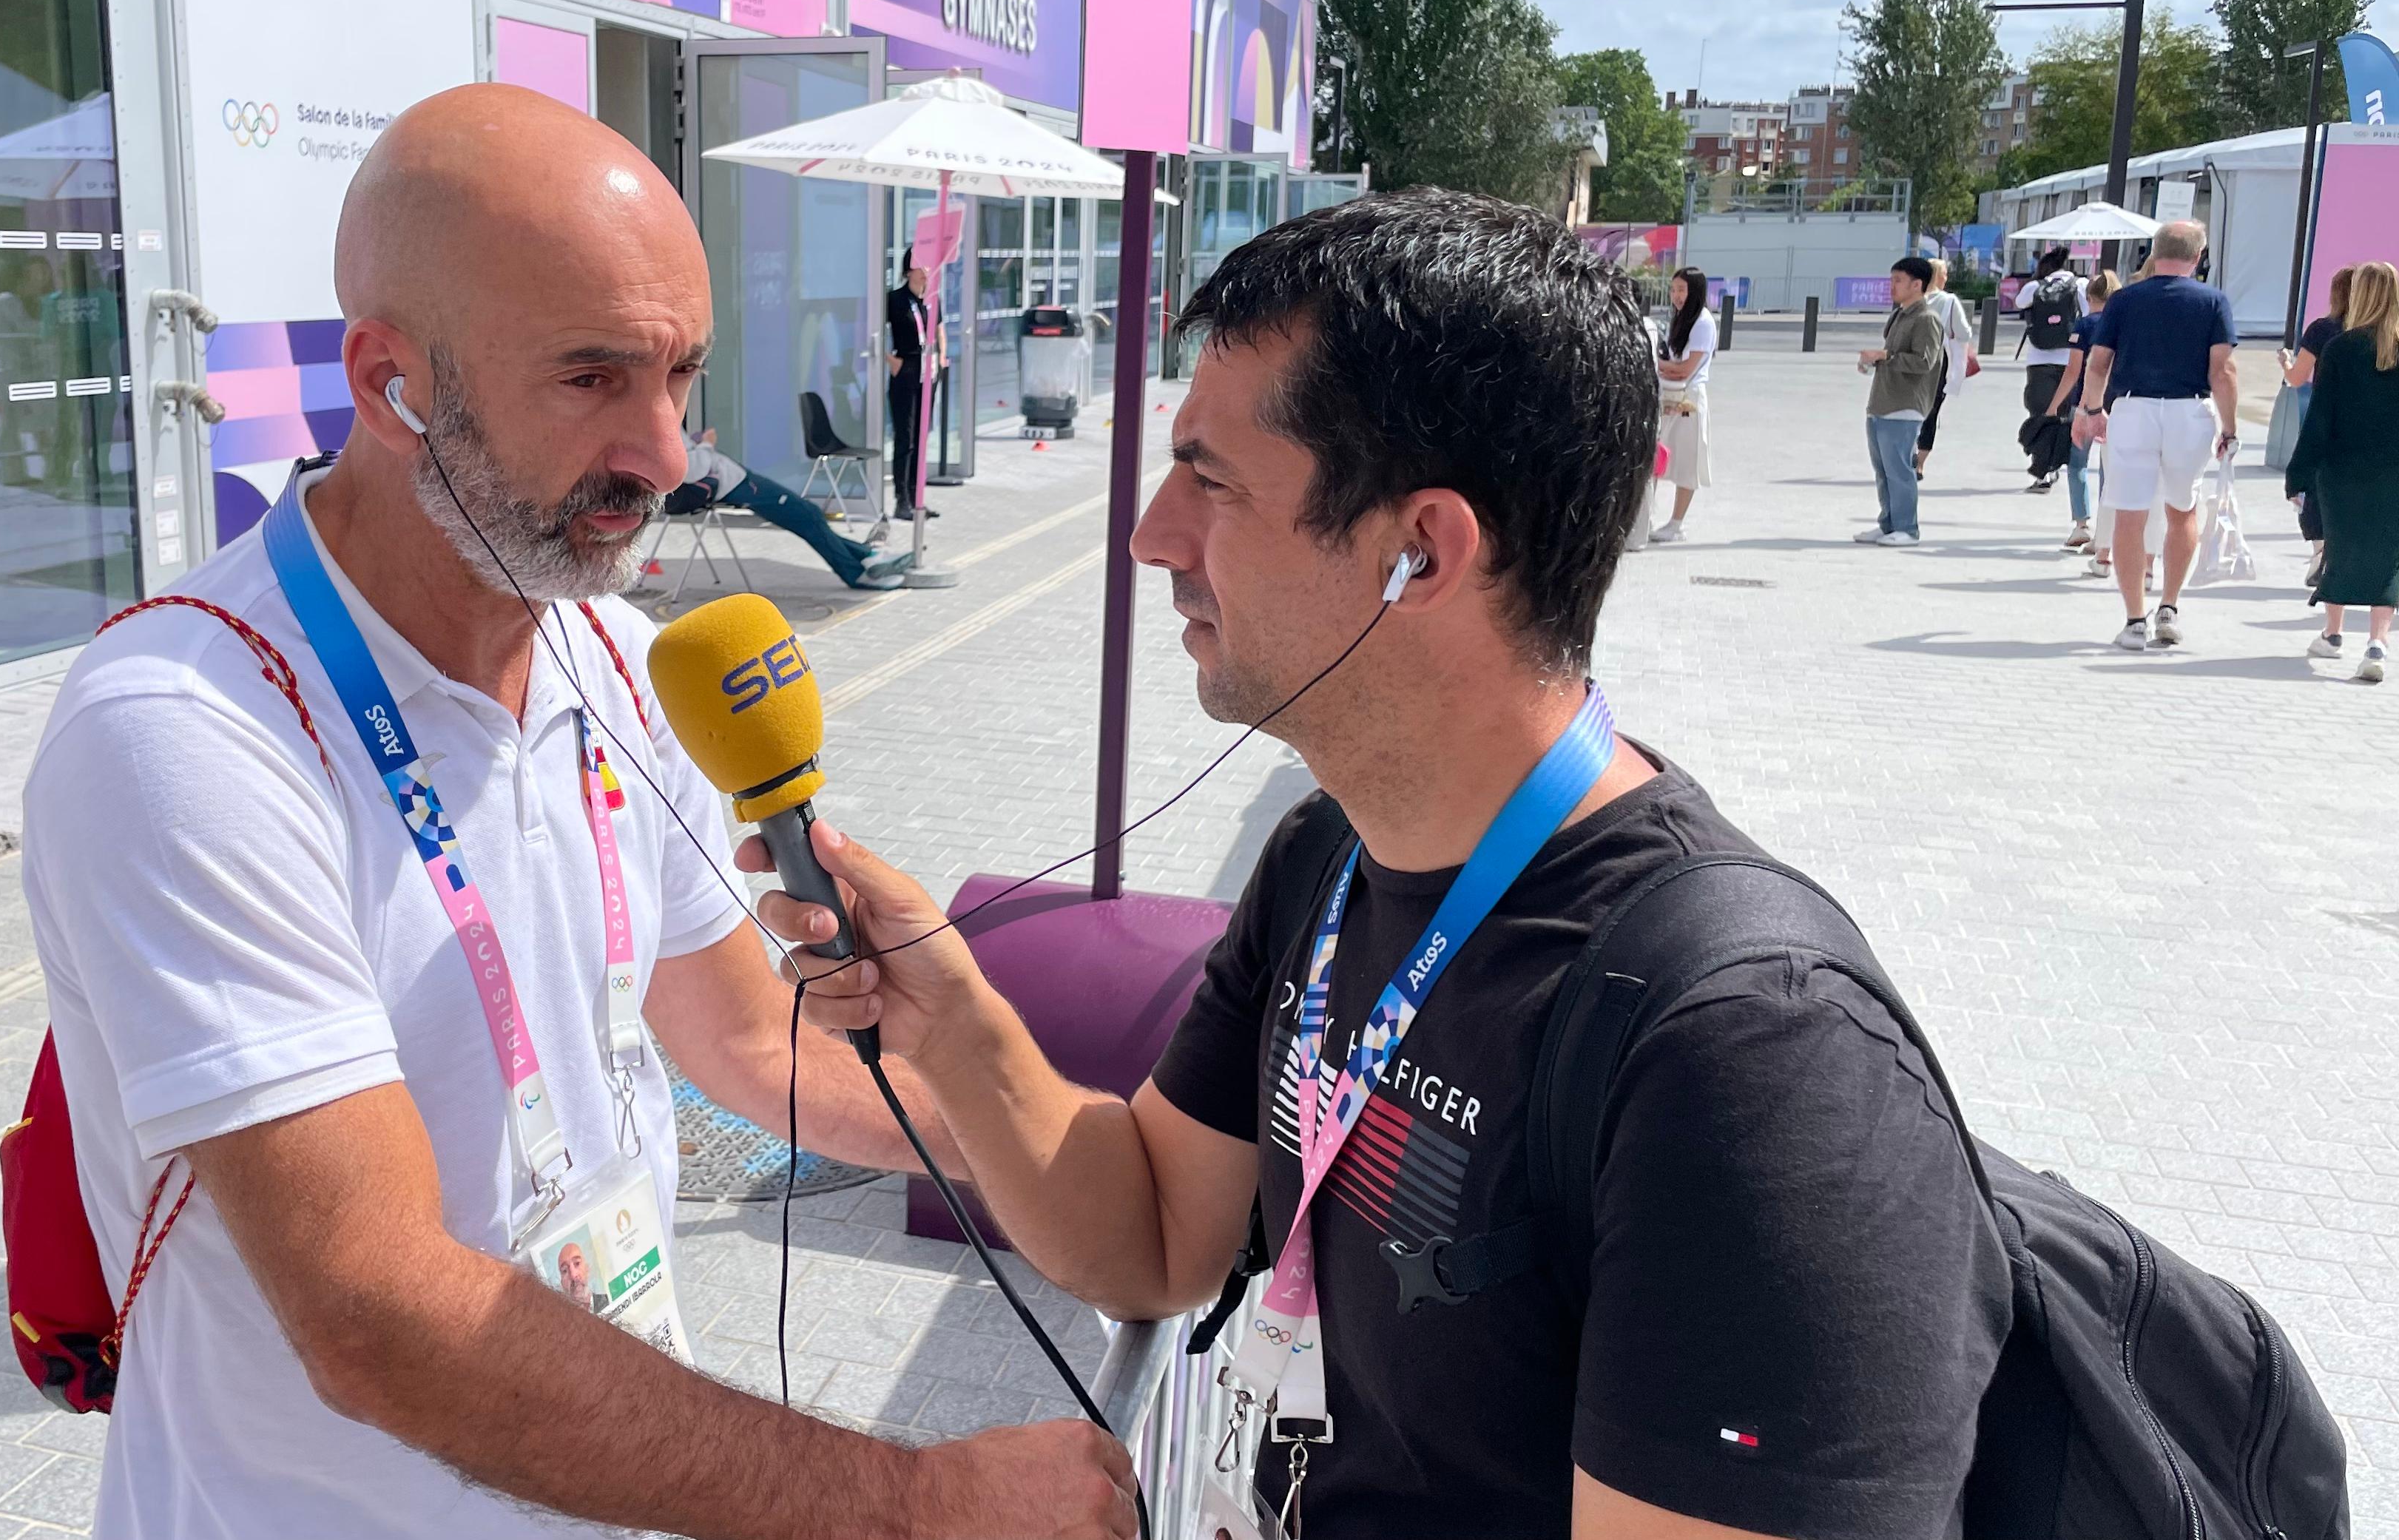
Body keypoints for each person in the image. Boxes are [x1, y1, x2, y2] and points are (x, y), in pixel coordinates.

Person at [741, 189, 2004, 1540]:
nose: (1150, 535)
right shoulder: (1327, 859)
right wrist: (956, 1018)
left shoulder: (1750, 1058)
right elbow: (1160, 1232)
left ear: (1419, 552)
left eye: (1210, 480)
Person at [20, 85, 1136, 1540]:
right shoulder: (184, 730)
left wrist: (1073, 1167)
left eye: (681, 377)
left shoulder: (607, 648)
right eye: (594, 379)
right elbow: (378, 1316)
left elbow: (742, 1038)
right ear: (390, 386)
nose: (666, 456)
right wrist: (911, 1505)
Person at [2073, 219, 2238, 652]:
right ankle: (2169, 606)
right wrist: (2231, 428)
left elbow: (2098, 363)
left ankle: (2133, 619)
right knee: (2182, 510)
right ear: (2198, 257)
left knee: (2130, 513)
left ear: (2154, 252)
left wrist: (2092, 410)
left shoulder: (2124, 300)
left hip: (2133, 408)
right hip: (2189, 410)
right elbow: (2221, 371)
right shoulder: (2213, 301)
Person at [2287, 259, 2399, 682]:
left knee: (2340, 546)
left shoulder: (2341, 348)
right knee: (2389, 555)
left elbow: (2321, 417)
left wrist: (2298, 472)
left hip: (2342, 469)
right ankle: (2377, 642)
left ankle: (2333, 633)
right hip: (2393, 469)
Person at [669, 426, 913, 590]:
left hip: (730, 480)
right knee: (808, 515)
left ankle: (868, 556)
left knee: (808, 517)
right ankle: (856, 574)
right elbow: (690, 468)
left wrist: (697, 443)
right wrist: (707, 445)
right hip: (730, 484)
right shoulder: (663, 411)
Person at [1857, 257, 1946, 544]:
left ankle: (1907, 528)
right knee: (1883, 470)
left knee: (1899, 471)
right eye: (1891, 279)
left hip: (1905, 406)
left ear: (1917, 285)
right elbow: (1891, 354)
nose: (1891, 286)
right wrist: (1875, 360)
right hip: (1882, 402)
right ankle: (1889, 524)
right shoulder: (1899, 315)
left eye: (1898, 280)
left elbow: (1925, 361)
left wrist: (1885, 357)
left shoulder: (1927, 319)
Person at [2042, 270, 2119, 561]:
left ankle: (2081, 523)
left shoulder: (2084, 325)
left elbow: (2074, 370)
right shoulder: (2121, 324)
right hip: (2116, 403)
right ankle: (2105, 529)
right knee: (2109, 471)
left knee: (2077, 465)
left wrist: (2054, 405)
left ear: (2089, 298)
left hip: (2086, 404)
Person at [2285, 266, 2355, 583]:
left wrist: (2285, 363)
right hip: (2369, 419)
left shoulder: (2322, 329)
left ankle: (2321, 551)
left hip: (2326, 416)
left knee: (2316, 484)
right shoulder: (2383, 331)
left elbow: (2297, 378)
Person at [1647, 266, 1714, 544]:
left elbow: (1686, 369)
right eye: (1673, 289)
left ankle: (1677, 524)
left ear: (1695, 291)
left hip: (1689, 401)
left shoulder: (1702, 322)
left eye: (1682, 290)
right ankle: (1648, 517)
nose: (1676, 296)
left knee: (1686, 459)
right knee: (1658, 456)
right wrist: (1668, 368)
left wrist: (1655, 362)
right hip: (1672, 396)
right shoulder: (1682, 319)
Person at [2016, 248, 2082, 492]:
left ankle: (2042, 469)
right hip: (2070, 360)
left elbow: (2019, 302)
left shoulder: (2035, 288)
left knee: (2040, 414)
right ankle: (2053, 467)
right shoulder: (2080, 285)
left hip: (2038, 361)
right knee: (2063, 416)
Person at [1915, 256, 1981, 478]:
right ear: (1938, 276)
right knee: (1931, 411)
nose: (1947, 277)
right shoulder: (1949, 301)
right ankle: (1920, 463)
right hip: (1937, 361)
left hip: (1913, 357)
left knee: (1912, 407)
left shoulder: (1916, 298)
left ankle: (1906, 452)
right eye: (1944, 273)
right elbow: (1964, 333)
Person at [888, 260, 938, 523]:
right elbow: (870, 329)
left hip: (926, 376)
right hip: (905, 372)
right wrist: (889, 359)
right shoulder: (895, 300)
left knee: (920, 439)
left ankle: (917, 497)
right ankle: (902, 500)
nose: (927, 271)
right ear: (909, 270)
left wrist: (942, 358)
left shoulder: (928, 300)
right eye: (922, 266)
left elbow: (938, 329)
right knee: (905, 439)